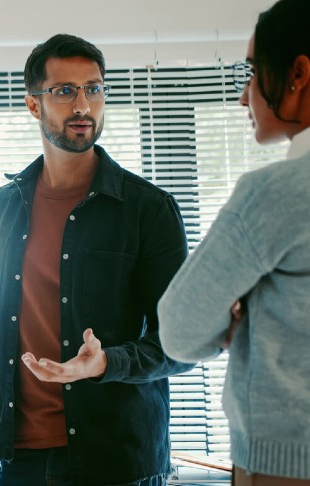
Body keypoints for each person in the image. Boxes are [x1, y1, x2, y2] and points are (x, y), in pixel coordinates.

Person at [0, 33, 192, 486]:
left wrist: (105, 362)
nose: (83, 105)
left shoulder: (148, 209)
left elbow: (182, 341)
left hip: (116, 463)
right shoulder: (0, 208)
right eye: (65, 91)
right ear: (34, 104)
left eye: (94, 88)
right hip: (20, 463)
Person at [158, 0, 310, 484]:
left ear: (299, 74)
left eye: (251, 72)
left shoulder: (275, 195)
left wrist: (240, 316)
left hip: (285, 464)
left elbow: (179, 331)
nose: (244, 98)